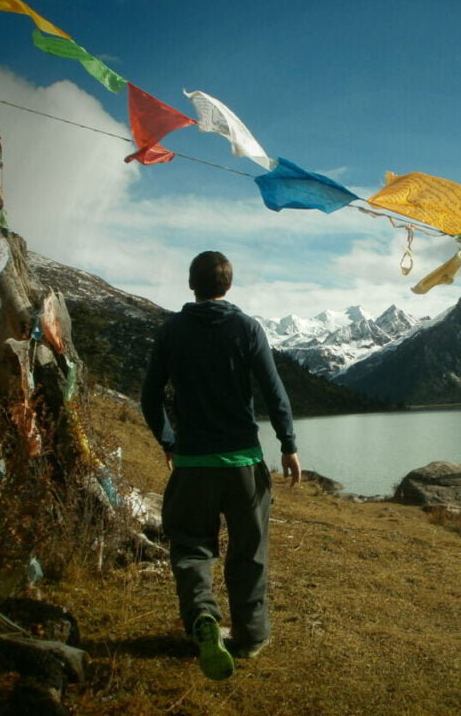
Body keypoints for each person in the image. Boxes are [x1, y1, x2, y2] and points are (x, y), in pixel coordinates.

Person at [141, 250, 300, 681]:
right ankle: (251, 636)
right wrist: (288, 444)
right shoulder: (248, 328)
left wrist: (168, 441)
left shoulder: (172, 330)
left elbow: (150, 395)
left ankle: (202, 617)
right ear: (228, 285)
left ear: (192, 284)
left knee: (191, 545)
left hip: (192, 462)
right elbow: (273, 390)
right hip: (244, 462)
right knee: (249, 552)